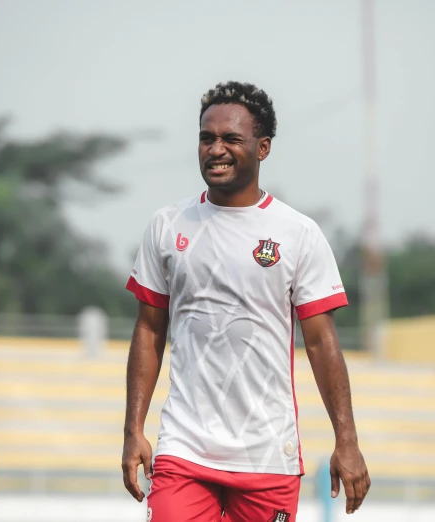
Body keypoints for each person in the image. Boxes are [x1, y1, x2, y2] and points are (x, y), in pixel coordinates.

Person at [121, 80, 370, 522]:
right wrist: (133, 429)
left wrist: (346, 440)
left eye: (231, 138)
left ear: (263, 147)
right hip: (185, 447)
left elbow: (320, 342)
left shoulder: (298, 234)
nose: (216, 148)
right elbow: (149, 329)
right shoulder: (167, 225)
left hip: (267, 454)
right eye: (206, 137)